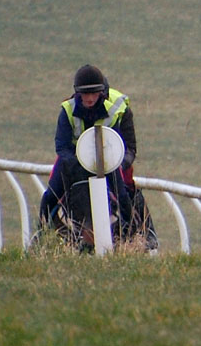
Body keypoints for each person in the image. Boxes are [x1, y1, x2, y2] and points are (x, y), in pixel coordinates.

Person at [39, 64, 157, 250]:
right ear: (78, 93)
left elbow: (123, 146)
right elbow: (61, 146)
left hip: (107, 162)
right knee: (50, 196)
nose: (90, 98)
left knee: (124, 194)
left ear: (102, 93)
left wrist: (115, 164)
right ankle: (41, 234)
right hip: (74, 161)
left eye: (94, 94)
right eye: (86, 94)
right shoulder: (67, 110)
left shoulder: (115, 110)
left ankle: (137, 234)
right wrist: (79, 165)